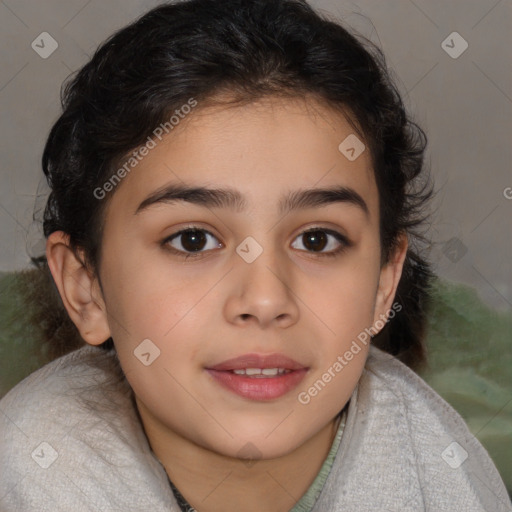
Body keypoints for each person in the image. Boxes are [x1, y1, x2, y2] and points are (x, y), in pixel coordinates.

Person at [0, 0, 510, 510]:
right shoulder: (31, 472)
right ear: (85, 287)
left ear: (383, 284)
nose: (265, 300)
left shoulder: (448, 482)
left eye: (317, 240)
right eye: (193, 240)